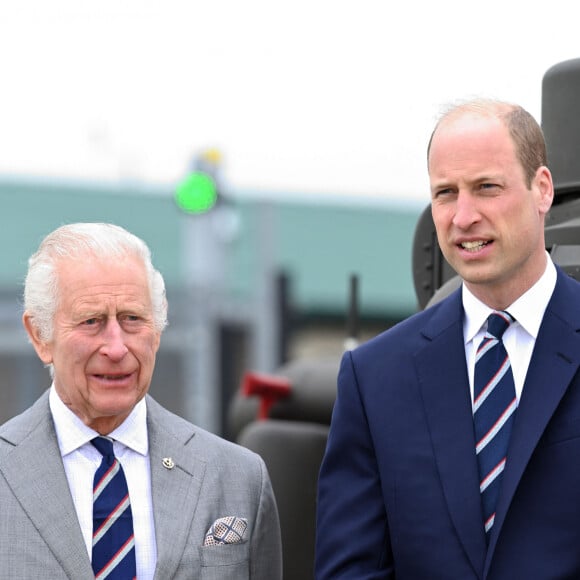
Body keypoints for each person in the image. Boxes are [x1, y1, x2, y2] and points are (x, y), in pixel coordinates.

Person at [316, 99, 580, 578]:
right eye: (445, 193)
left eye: (486, 188)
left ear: (542, 189)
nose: (463, 216)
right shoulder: (375, 379)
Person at [0, 222, 282, 579]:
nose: (117, 348)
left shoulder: (238, 479)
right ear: (40, 335)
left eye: (133, 319)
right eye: (91, 321)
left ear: (158, 329)